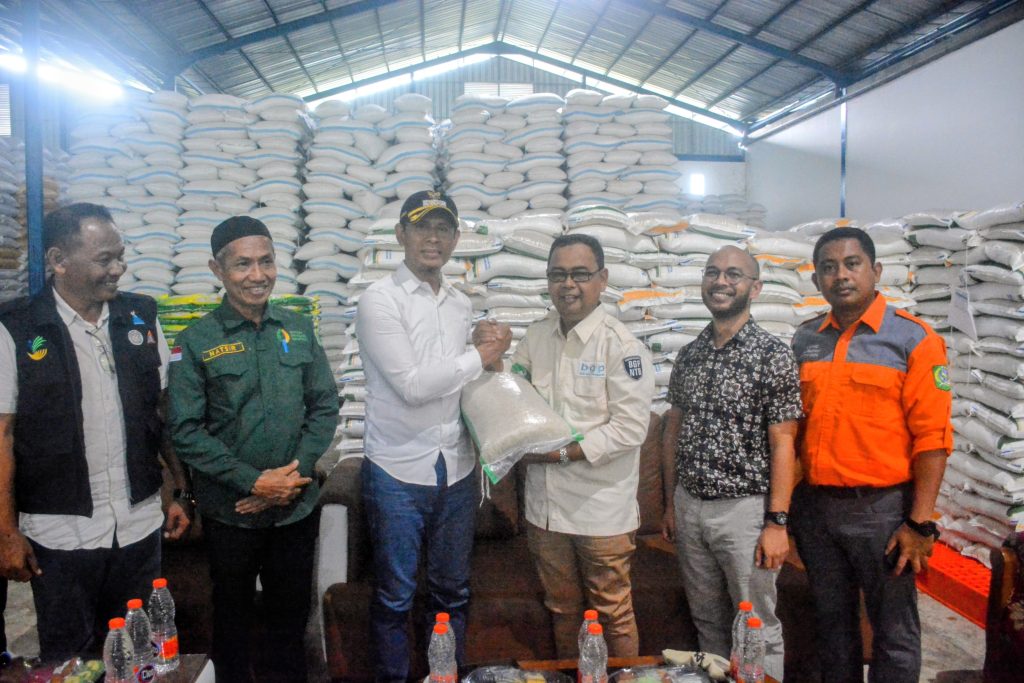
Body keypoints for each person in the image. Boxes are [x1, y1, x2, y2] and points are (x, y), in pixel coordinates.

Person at [0, 203, 190, 661]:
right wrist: (5, 531)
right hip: (62, 532)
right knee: (72, 661)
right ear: (59, 260)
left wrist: (180, 491)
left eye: (120, 256)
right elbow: (2, 435)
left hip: (138, 525)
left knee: (140, 657)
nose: (118, 269)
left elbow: (160, 413)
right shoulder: (17, 328)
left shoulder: (140, 317)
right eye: (105, 259)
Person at [167, 216, 339, 683]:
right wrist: (254, 482)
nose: (257, 275)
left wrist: (291, 478)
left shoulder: (298, 329)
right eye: (243, 264)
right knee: (232, 622)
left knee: (291, 621)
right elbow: (185, 430)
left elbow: (325, 405)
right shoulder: (195, 342)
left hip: (294, 510)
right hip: (232, 513)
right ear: (217, 270)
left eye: (266, 262)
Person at [357, 190, 510, 682]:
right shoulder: (380, 300)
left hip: (456, 468)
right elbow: (412, 386)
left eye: (443, 228)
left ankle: (445, 677)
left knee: (452, 593)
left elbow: (464, 382)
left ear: (456, 238)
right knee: (395, 596)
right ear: (400, 233)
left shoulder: (460, 304)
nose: (433, 238)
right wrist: (480, 356)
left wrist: (490, 356)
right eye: (422, 227)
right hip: (397, 470)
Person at [790, 227, 952, 683]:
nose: (841, 275)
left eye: (852, 264)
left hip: (883, 513)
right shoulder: (806, 340)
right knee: (832, 627)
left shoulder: (914, 339)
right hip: (817, 512)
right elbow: (793, 432)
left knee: (894, 633)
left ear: (876, 271)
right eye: (828, 267)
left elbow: (933, 440)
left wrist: (919, 524)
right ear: (816, 280)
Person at [659, 245, 801, 680]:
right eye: (712, 272)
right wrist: (670, 503)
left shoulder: (772, 355)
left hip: (744, 512)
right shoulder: (690, 354)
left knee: (755, 626)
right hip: (689, 507)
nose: (721, 281)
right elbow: (673, 431)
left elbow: (784, 442)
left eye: (733, 274)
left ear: (754, 288)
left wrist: (777, 522)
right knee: (707, 620)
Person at [510, 233, 654, 658]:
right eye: (558, 275)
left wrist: (558, 453)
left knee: (612, 612)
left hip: (600, 511)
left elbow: (629, 429)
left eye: (580, 274)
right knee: (562, 608)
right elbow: (514, 397)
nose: (568, 284)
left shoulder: (621, 346)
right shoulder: (536, 337)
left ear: (602, 279)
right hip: (545, 509)